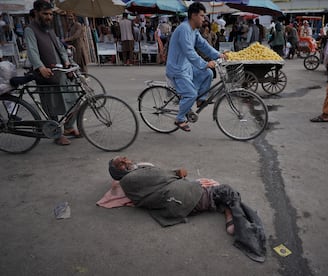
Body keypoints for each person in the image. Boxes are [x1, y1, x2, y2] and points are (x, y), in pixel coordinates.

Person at [101, 156, 266, 262]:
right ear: (121, 169)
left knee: (219, 196)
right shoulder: (134, 176)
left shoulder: (129, 182)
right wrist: (193, 181)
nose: (127, 160)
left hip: (174, 205)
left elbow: (156, 181)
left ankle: (230, 218)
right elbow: (174, 174)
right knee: (227, 191)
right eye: (123, 161)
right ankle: (244, 233)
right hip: (183, 199)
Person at [24, 0, 80, 145]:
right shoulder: (30, 30)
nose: (49, 17)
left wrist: (67, 62)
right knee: (51, 106)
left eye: (50, 14)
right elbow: (32, 51)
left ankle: (68, 127)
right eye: (45, 14)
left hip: (60, 71)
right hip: (46, 74)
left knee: (75, 100)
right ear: (36, 13)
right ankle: (56, 134)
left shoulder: (49, 29)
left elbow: (60, 47)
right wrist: (40, 67)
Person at [166, 2, 225, 132]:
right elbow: (189, 52)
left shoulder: (194, 30)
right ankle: (180, 118)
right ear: (193, 15)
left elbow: (203, 45)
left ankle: (200, 100)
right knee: (190, 94)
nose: (204, 19)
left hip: (187, 66)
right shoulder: (184, 29)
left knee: (208, 73)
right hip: (177, 69)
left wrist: (218, 55)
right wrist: (204, 63)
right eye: (202, 16)